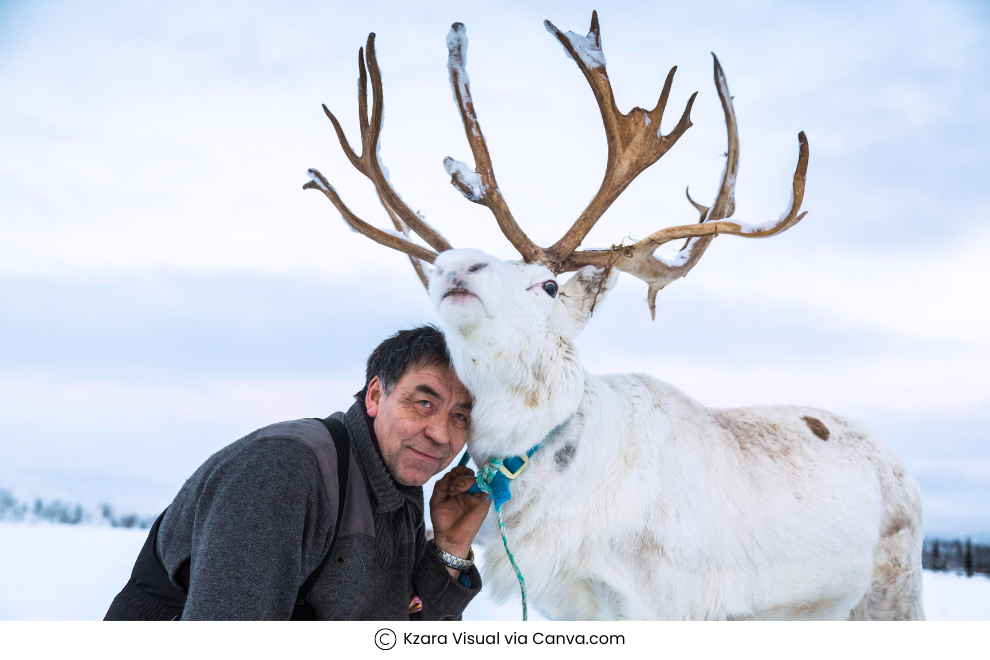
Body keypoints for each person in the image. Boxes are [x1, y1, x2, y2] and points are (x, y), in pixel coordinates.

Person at [105, 325, 490, 620]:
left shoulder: (398, 490)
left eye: (460, 416)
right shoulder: (285, 471)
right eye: (424, 402)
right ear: (375, 395)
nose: (440, 433)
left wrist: (449, 551)